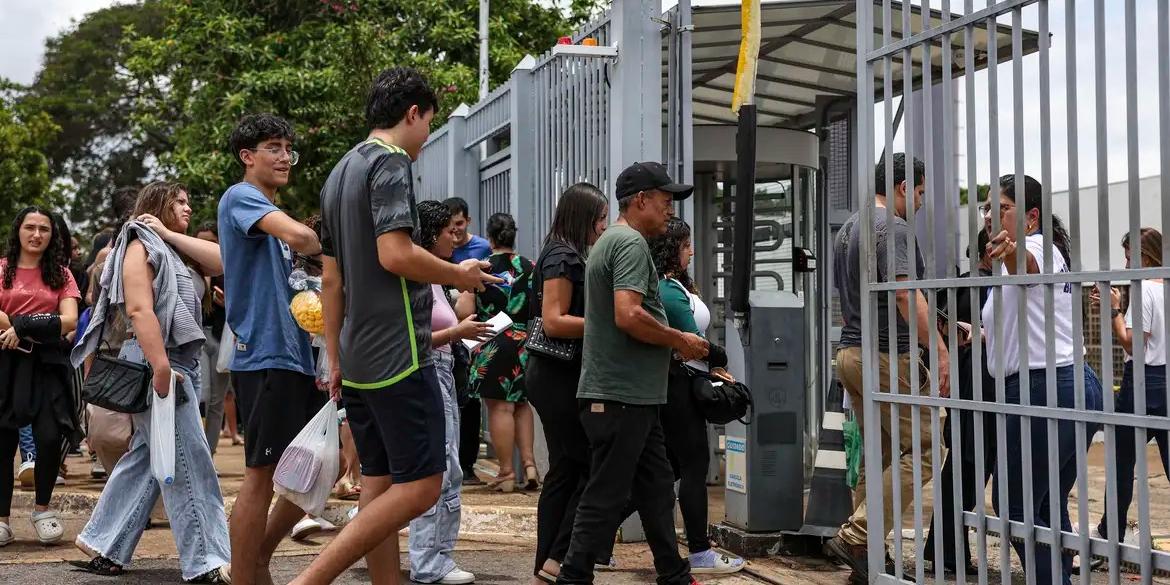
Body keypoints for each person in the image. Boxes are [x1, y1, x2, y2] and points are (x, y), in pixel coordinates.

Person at [296, 66, 498, 585]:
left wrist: (335, 357)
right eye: (429, 123)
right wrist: (459, 273)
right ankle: (310, 579)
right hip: (400, 352)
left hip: (358, 357)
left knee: (379, 484)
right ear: (412, 114)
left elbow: (332, 281)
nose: (427, 137)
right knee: (426, 483)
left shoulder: (339, 172)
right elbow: (396, 252)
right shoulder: (389, 163)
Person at [69, 182, 231, 582]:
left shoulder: (170, 246)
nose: (188, 207)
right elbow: (140, 309)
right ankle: (208, 559)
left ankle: (106, 544)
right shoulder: (139, 246)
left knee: (147, 460)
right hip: (160, 361)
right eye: (179, 202)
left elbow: (223, 261)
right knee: (190, 464)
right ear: (157, 205)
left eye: (189, 201)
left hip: (174, 361)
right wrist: (160, 367)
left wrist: (169, 232)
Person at [555, 161, 705, 585]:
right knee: (604, 495)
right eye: (665, 200)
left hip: (634, 397)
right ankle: (572, 576)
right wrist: (679, 339)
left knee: (657, 489)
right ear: (641, 200)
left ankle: (674, 574)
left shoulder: (612, 241)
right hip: (620, 396)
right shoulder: (630, 244)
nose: (670, 210)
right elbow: (629, 314)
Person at [825, 153, 951, 583]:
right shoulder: (892, 227)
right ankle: (857, 532)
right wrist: (937, 347)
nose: (919, 202)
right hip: (884, 355)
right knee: (930, 448)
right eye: (918, 192)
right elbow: (902, 294)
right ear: (901, 188)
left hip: (851, 353)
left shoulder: (848, 228)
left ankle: (866, 552)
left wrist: (948, 325)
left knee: (879, 457)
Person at [217, 113, 326, 585]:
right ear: (248, 156)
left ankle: (257, 557)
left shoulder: (265, 211)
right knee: (261, 474)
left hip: (295, 355)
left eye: (288, 149)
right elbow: (305, 238)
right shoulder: (242, 197)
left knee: (312, 467)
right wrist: (322, 239)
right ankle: (244, 572)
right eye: (274, 148)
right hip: (264, 354)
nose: (285, 158)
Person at [981, 174, 1103, 585]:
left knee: (1015, 504)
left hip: (1044, 388)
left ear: (1031, 217)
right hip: (1066, 384)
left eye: (1002, 207)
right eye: (986, 207)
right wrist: (975, 333)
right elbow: (1018, 326)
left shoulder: (1037, 247)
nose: (990, 215)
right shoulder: (1035, 254)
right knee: (1046, 505)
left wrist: (1010, 252)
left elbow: (1026, 265)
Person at [647, 217, 745, 575]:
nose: (691, 251)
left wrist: (711, 365)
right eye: (686, 245)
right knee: (693, 466)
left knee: (666, 468)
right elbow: (692, 342)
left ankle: (594, 541)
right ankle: (701, 553)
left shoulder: (673, 285)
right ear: (673, 249)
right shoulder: (669, 289)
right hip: (679, 387)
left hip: (682, 381)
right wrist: (718, 358)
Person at [408, 200, 495, 584]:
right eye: (447, 230)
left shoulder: (434, 276)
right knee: (440, 469)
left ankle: (438, 556)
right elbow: (411, 339)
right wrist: (457, 333)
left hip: (443, 370)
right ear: (430, 235)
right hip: (430, 371)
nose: (454, 236)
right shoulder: (416, 277)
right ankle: (429, 561)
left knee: (449, 467)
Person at [527, 184, 608, 584]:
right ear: (583, 217)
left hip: (553, 375)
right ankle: (560, 555)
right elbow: (555, 319)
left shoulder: (562, 251)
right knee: (593, 464)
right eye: (600, 218)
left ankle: (549, 561)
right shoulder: (562, 255)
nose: (603, 227)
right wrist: (606, 325)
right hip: (557, 376)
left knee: (565, 468)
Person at [0, 206, 80, 547]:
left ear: (53, 235)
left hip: (48, 366)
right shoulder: (2, 269)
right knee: (3, 442)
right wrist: (25, 328)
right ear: (18, 230)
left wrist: (23, 326)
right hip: (5, 362)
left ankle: (42, 509)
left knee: (48, 436)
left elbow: (70, 320)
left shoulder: (61, 274)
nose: (36, 234)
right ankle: (1, 520)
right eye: (30, 227)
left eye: (44, 229)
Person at [924, 230, 997, 575]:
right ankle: (946, 549)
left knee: (962, 469)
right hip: (984, 389)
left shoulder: (957, 286)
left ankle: (944, 549)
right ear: (988, 251)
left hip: (962, 387)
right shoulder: (986, 287)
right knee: (970, 470)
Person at [1093, 228, 1167, 544]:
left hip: (1142, 382)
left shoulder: (1144, 289)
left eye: (1128, 257)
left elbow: (1133, 343)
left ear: (1144, 256)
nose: (1126, 266)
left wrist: (1115, 311)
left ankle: (1112, 532)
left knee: (1122, 462)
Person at [456, 213, 538, 492]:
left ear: (489, 239)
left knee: (499, 407)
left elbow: (465, 311)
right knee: (522, 404)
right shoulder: (531, 266)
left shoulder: (481, 268)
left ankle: (505, 472)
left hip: (492, 339)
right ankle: (529, 464)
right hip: (523, 340)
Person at [445, 196, 492, 485]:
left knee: (469, 398)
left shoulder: (482, 248)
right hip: (447, 328)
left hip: (472, 329)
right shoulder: (441, 250)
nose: (455, 232)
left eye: (459, 225)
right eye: (450, 227)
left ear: (468, 221)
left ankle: (468, 462)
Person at [193, 223, 233, 455]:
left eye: (212, 241)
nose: (206, 245)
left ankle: (209, 452)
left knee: (217, 400)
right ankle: (196, 452)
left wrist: (227, 303)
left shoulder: (228, 270)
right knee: (199, 397)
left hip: (220, 338)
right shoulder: (188, 271)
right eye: (202, 241)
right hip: (197, 340)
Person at [446, 197, 492, 263]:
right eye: (449, 225)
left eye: (459, 223)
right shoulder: (439, 249)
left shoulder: (484, 247)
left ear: (468, 221)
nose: (455, 229)